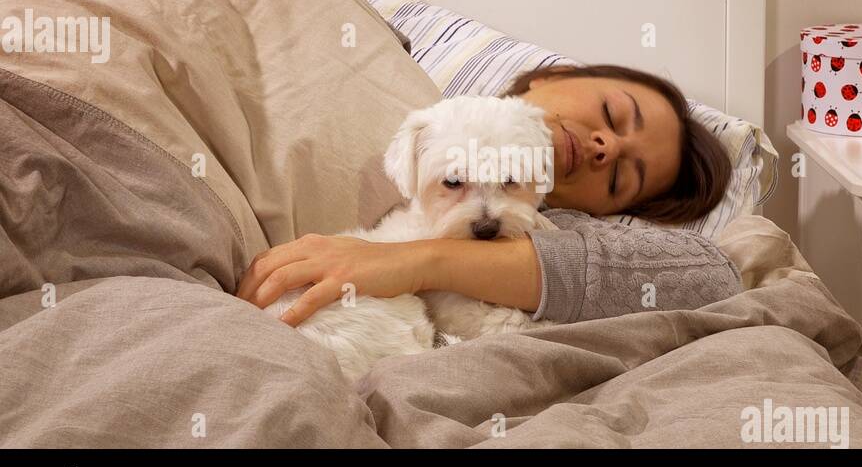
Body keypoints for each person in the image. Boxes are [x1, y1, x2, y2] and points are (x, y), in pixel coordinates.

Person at [236, 64, 743, 325]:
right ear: (554, 74)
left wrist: (420, 262)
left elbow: (713, 276)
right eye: (613, 115)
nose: (604, 146)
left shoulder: (569, 235)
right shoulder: (403, 110)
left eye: (620, 181)